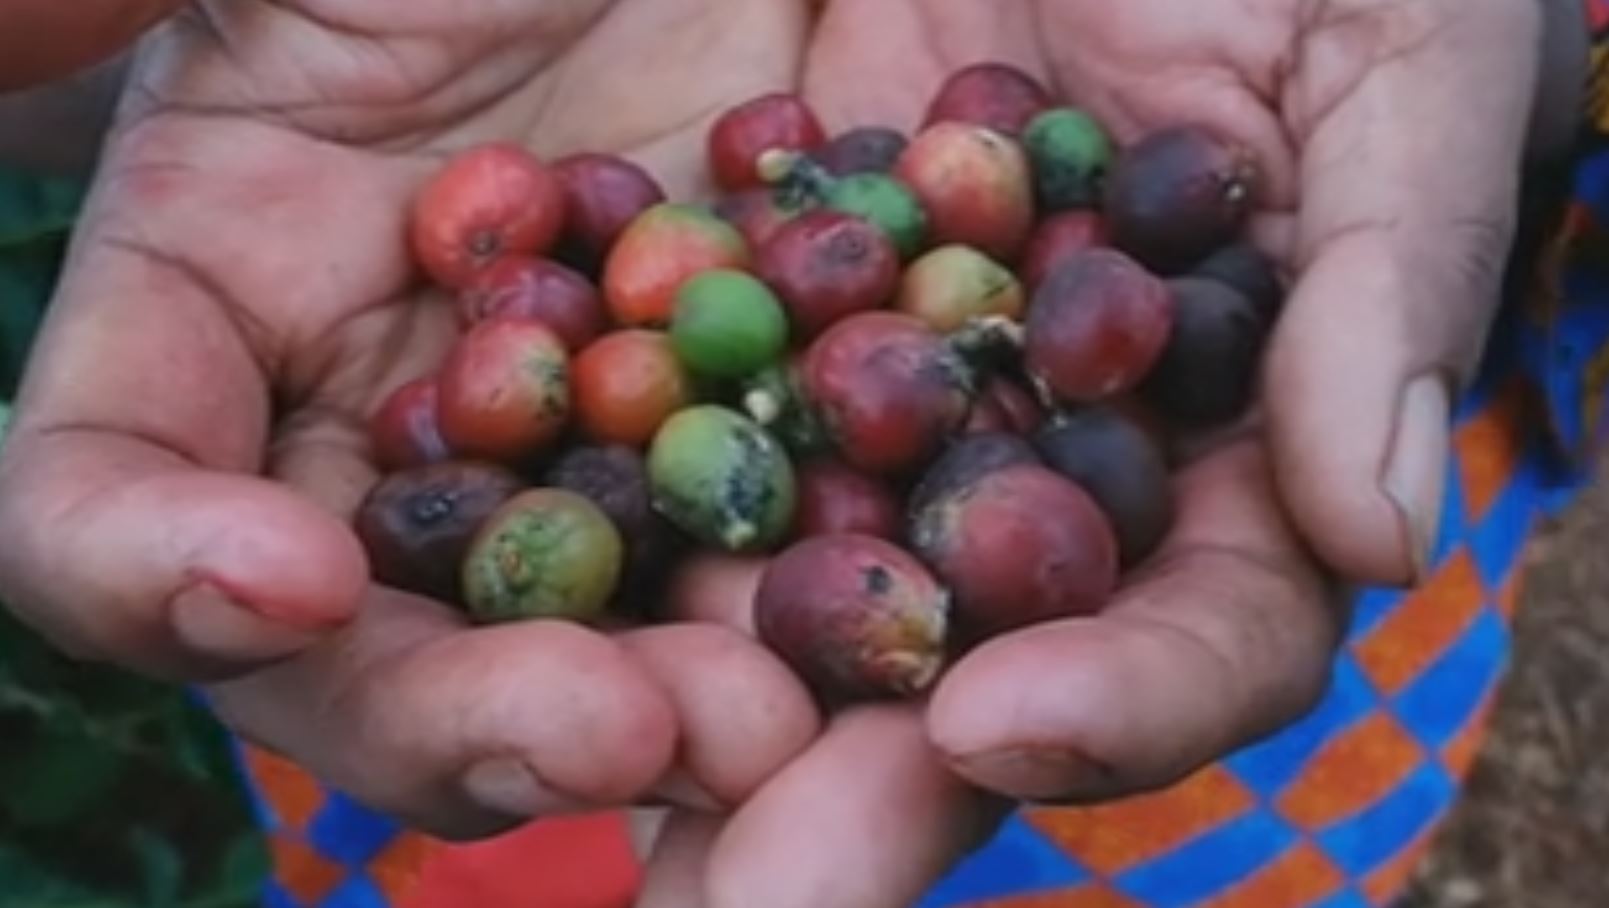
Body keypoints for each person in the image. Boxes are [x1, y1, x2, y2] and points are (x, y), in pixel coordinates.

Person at [0, 0, 1601, 905]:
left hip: (1236, 719)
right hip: (509, 760)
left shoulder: (1001, 325)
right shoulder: (674, 358)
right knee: (496, 752)